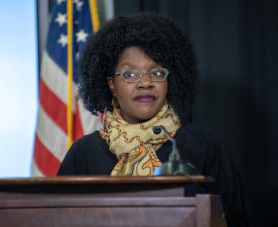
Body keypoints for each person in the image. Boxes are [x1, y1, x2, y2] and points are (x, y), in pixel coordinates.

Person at [58, 13, 247, 227]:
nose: (145, 83)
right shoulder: (83, 153)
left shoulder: (202, 144)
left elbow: (233, 219)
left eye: (156, 73)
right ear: (111, 84)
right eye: (130, 75)